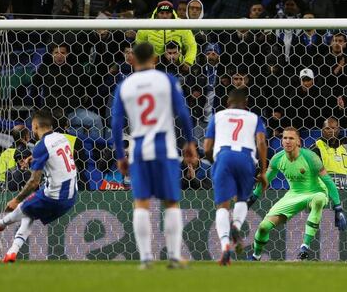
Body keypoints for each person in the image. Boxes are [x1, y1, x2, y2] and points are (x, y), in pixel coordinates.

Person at [111, 42, 197, 269]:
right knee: (171, 202)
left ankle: (146, 258)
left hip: (139, 150)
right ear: (155, 59)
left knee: (141, 203)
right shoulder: (167, 80)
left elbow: (116, 123)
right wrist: (189, 142)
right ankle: (174, 256)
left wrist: (121, 155)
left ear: (133, 60)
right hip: (165, 148)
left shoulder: (125, 85)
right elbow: (183, 113)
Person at [0, 110, 79, 263]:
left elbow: (34, 182)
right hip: (71, 196)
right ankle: (12, 252)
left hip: (54, 197)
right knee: (30, 214)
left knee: (22, 207)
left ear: (35, 126)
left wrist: (15, 199)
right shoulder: (61, 138)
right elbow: (54, 155)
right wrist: (32, 157)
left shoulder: (41, 146)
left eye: (32, 126)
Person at [247, 127, 347, 261]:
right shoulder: (277, 159)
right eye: (285, 138)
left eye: (291, 138)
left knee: (318, 199)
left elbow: (328, 182)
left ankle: (304, 247)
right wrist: (252, 198)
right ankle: (256, 256)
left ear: (298, 142)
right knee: (264, 227)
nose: (287, 141)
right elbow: (266, 181)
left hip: (317, 191)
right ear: (281, 141)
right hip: (294, 194)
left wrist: (338, 207)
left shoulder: (310, 157)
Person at [204, 88, 268, 265]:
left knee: (222, 206)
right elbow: (261, 142)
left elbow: (207, 147)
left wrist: (215, 162)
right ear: (246, 105)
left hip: (223, 157)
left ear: (227, 104)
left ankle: (225, 245)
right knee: (241, 200)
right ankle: (236, 226)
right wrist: (262, 171)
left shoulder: (217, 117)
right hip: (246, 158)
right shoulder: (254, 118)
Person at [135, 0, 197, 73]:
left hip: (177, 66)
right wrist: (146, 62)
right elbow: (139, 46)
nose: (164, 16)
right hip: (153, 67)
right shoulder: (147, 26)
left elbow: (191, 45)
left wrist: (188, 62)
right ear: (157, 13)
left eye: (167, 13)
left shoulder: (181, 25)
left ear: (172, 13)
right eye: (162, 13)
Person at [310, 117, 347, 190]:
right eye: (327, 128)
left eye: (333, 128)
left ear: (338, 130)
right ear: (322, 130)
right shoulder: (316, 147)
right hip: (326, 191)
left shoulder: (345, 146)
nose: (330, 131)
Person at [0, 125, 30, 190]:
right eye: (28, 134)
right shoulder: (24, 151)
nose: (30, 137)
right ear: (24, 137)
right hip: (15, 185)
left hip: (2, 185)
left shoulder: (4, 153)